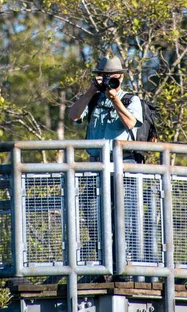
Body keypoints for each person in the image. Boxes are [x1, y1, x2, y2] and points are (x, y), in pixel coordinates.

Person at [69, 55, 143, 281]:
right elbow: (73, 116)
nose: (108, 80)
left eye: (112, 77)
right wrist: (91, 91)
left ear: (121, 76)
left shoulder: (131, 100)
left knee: (124, 218)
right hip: (96, 166)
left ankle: (124, 270)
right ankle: (102, 266)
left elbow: (131, 124)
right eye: (103, 76)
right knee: (93, 214)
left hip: (124, 165)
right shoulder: (92, 99)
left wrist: (114, 99)